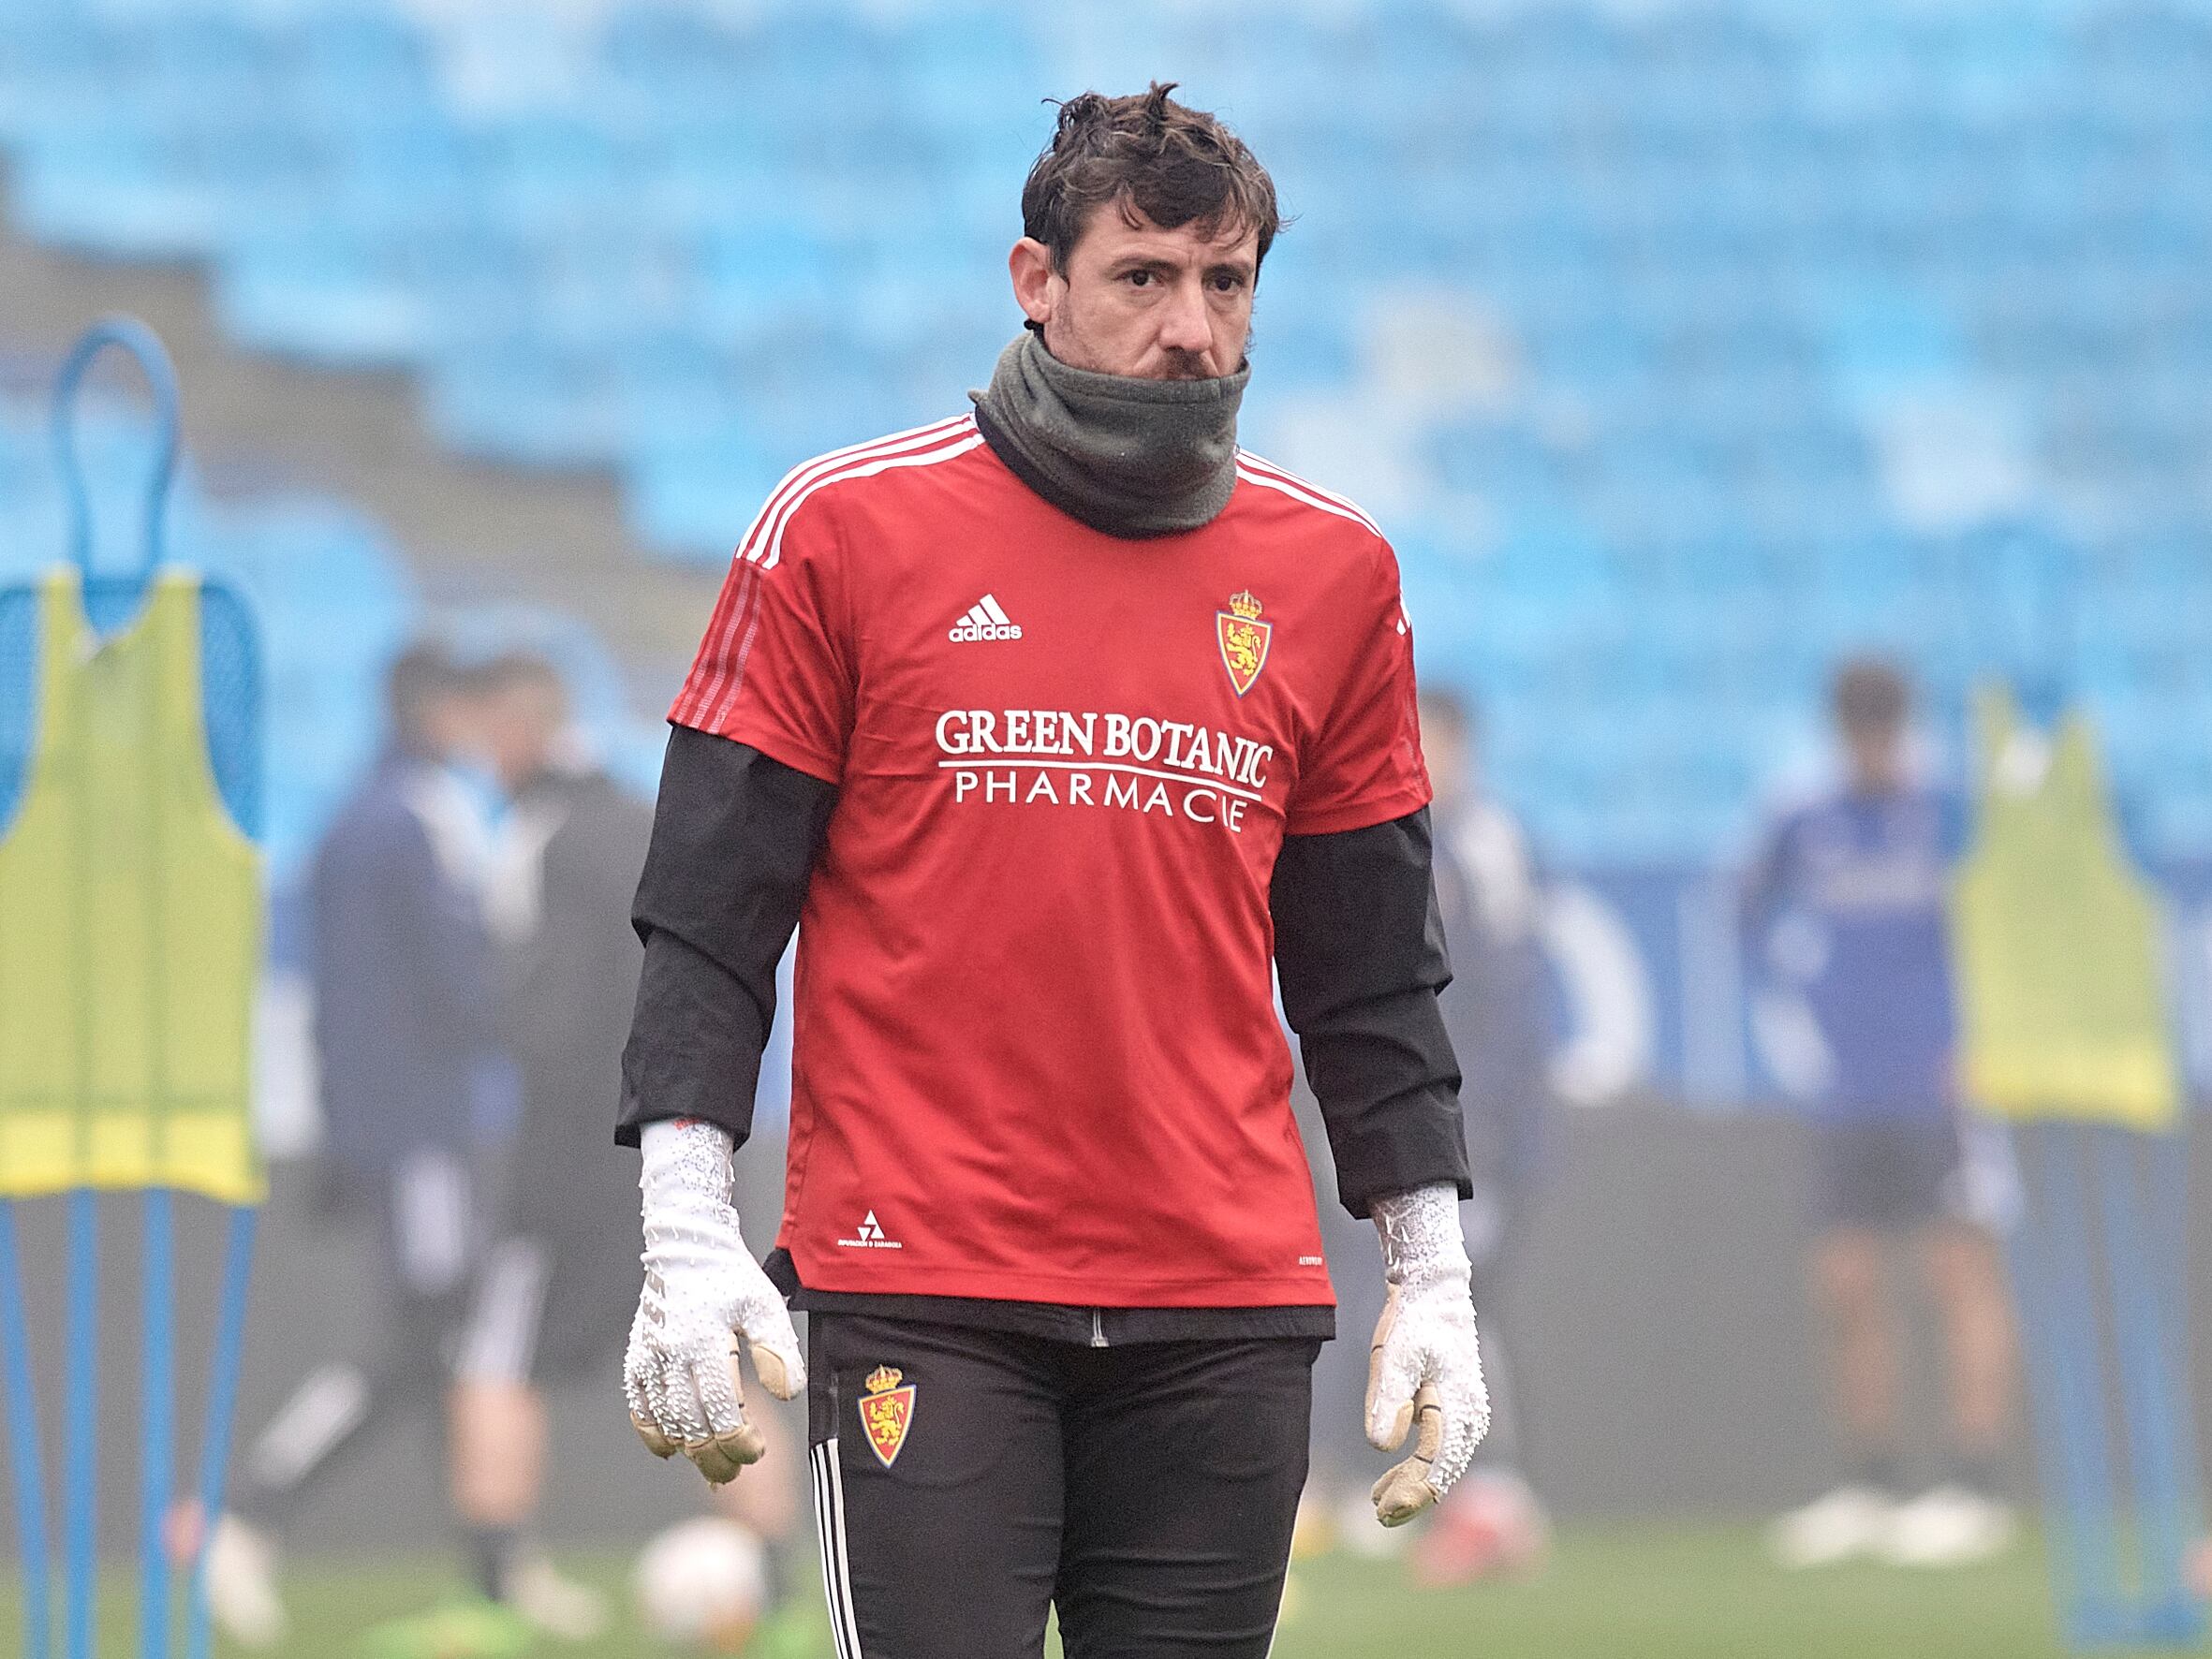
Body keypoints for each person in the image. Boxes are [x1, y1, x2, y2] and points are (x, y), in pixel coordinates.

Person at [616, 83, 1489, 1658]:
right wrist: (683, 1220)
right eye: (1143, 277)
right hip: (926, 1285)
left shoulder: (1336, 572)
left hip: (1224, 1303)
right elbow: (706, 918)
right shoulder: (835, 529)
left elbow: (1368, 967)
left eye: (1226, 284)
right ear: (1037, 280)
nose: (1193, 330)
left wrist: (1427, 1263)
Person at [200, 643, 500, 1649]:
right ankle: (248, 1512)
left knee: (444, 1346)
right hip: (420, 1132)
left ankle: (493, 1561)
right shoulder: (411, 818)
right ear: (435, 705)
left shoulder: (352, 819)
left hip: (386, 1123)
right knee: (422, 1343)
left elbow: (339, 991)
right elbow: (457, 981)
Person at [1744, 659, 2019, 1569]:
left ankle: (1976, 1483)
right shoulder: (1803, 818)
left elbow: (2003, 921)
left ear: (1902, 725)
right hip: (1846, 1093)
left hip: (1941, 1086)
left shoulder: (1951, 813)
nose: (1870, 744)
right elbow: (1748, 917)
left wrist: (1986, 1038)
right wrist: (1793, 1024)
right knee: (1847, 1281)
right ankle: (1872, 1477)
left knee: (1955, 1272)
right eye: (1857, 727)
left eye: (1883, 726)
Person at [1404, 687, 1556, 1585]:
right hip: (1436, 1113)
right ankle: (1472, 1496)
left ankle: (1495, 1497)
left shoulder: (1485, 844)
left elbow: (1512, 998)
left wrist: (1489, 1123)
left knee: (1466, 1303)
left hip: (1480, 1124)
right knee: (1440, 1302)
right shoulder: (1415, 843)